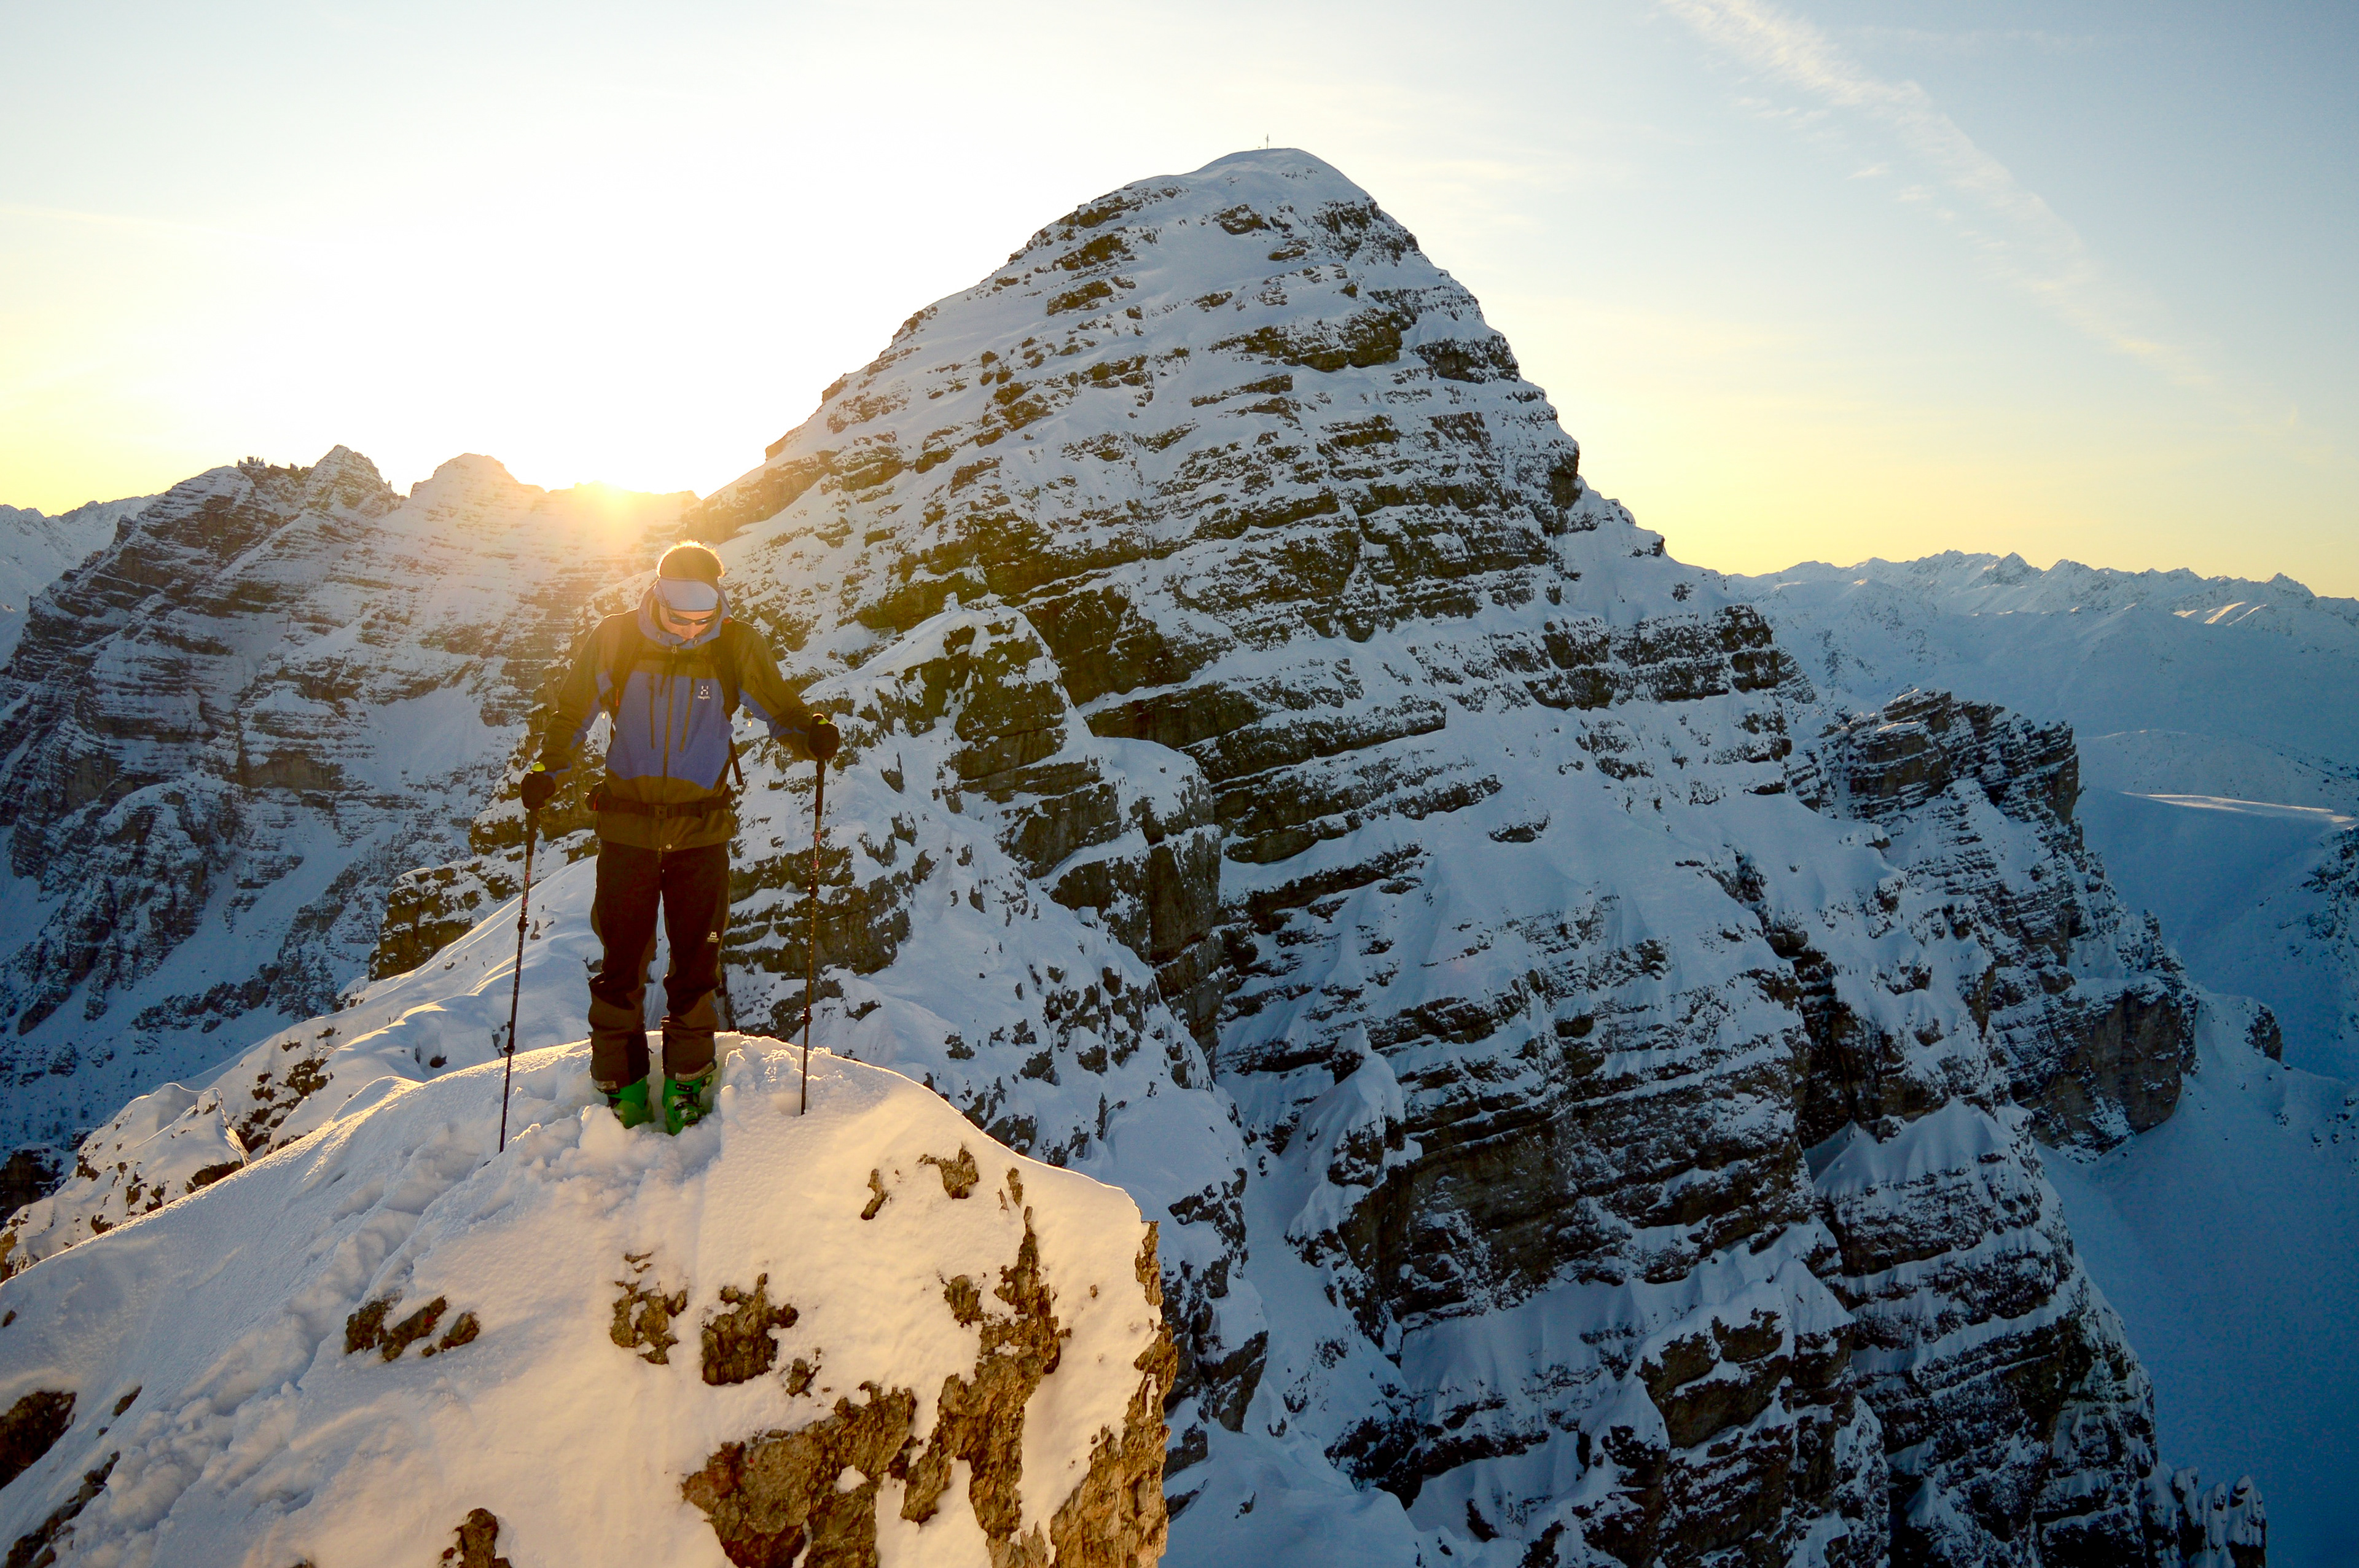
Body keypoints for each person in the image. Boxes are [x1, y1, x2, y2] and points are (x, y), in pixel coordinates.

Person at [521, 542, 837, 1133]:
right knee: (622, 964)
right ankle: (623, 1087)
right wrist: (549, 773)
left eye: (703, 616)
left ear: (719, 601)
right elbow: (572, 715)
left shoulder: (736, 643)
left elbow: (782, 710)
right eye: (680, 616)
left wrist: (811, 734)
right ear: (657, 595)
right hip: (627, 828)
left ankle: (689, 1082)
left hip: (701, 829)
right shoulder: (616, 638)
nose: (692, 628)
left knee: (696, 965)